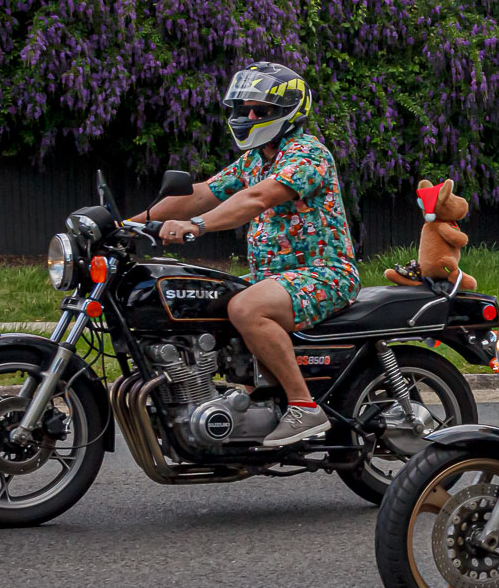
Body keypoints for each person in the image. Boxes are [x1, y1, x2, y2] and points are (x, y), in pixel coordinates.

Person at [142, 63, 360, 447]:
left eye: (261, 110)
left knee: (245, 308)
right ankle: (242, 408)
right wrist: (131, 222)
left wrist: (197, 225)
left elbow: (257, 198)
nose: (250, 117)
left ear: (289, 112)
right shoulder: (255, 160)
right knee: (207, 303)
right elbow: (202, 192)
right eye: (244, 109)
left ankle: (303, 406)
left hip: (324, 274)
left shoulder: (307, 153)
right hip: (273, 279)